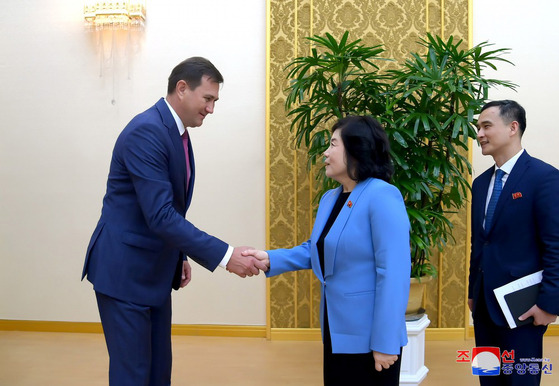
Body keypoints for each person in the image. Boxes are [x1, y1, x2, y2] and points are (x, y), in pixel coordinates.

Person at [81, 57, 267, 386]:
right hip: (125, 273)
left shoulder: (174, 131)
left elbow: (166, 210)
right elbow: (161, 215)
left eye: (215, 101)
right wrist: (226, 256)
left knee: (157, 374)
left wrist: (177, 256)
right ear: (182, 89)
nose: (211, 109)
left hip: (153, 271)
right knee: (133, 376)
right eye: (207, 99)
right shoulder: (147, 131)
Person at [245, 115, 411, 385]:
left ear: (356, 150)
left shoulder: (382, 195)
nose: (326, 152)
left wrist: (386, 341)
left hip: (370, 337)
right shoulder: (330, 198)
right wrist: (269, 259)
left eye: (333, 144)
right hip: (336, 328)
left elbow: (394, 273)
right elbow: (318, 249)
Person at [468, 100, 559, 386]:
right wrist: (473, 292)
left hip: (523, 309)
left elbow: (555, 246)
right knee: (488, 378)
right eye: (478, 127)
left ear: (512, 127)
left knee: (521, 380)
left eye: (486, 126)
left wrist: (549, 304)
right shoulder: (481, 183)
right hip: (483, 307)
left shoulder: (544, 178)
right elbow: (479, 244)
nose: (479, 134)